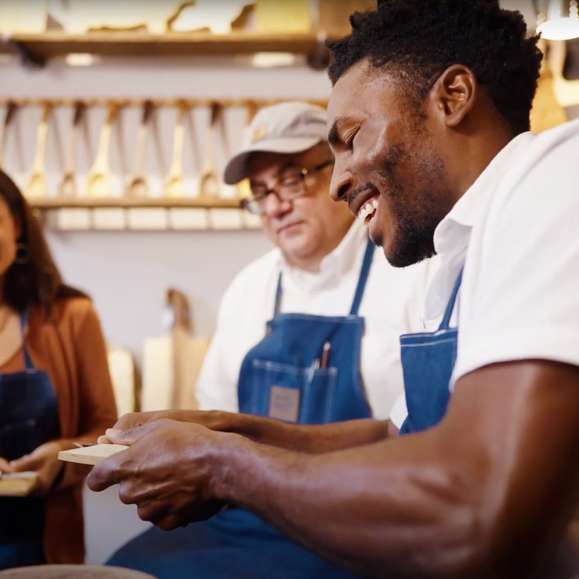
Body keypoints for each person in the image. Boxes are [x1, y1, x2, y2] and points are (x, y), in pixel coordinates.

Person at [88, 2, 579, 578]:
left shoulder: (555, 176)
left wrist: (221, 464)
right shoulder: (453, 256)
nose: (340, 178)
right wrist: (229, 427)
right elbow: (395, 437)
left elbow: (477, 514)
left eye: (350, 139)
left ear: (453, 96)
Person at [105, 102, 432, 578]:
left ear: (339, 172)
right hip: (249, 517)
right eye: (260, 192)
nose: (277, 204)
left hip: (360, 523)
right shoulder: (248, 289)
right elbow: (214, 418)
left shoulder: (404, 272)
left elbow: (413, 438)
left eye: (293, 179)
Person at [0, 170, 117, 568]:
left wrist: (63, 455)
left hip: (44, 550)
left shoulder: (73, 317)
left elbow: (108, 430)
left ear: (15, 226)